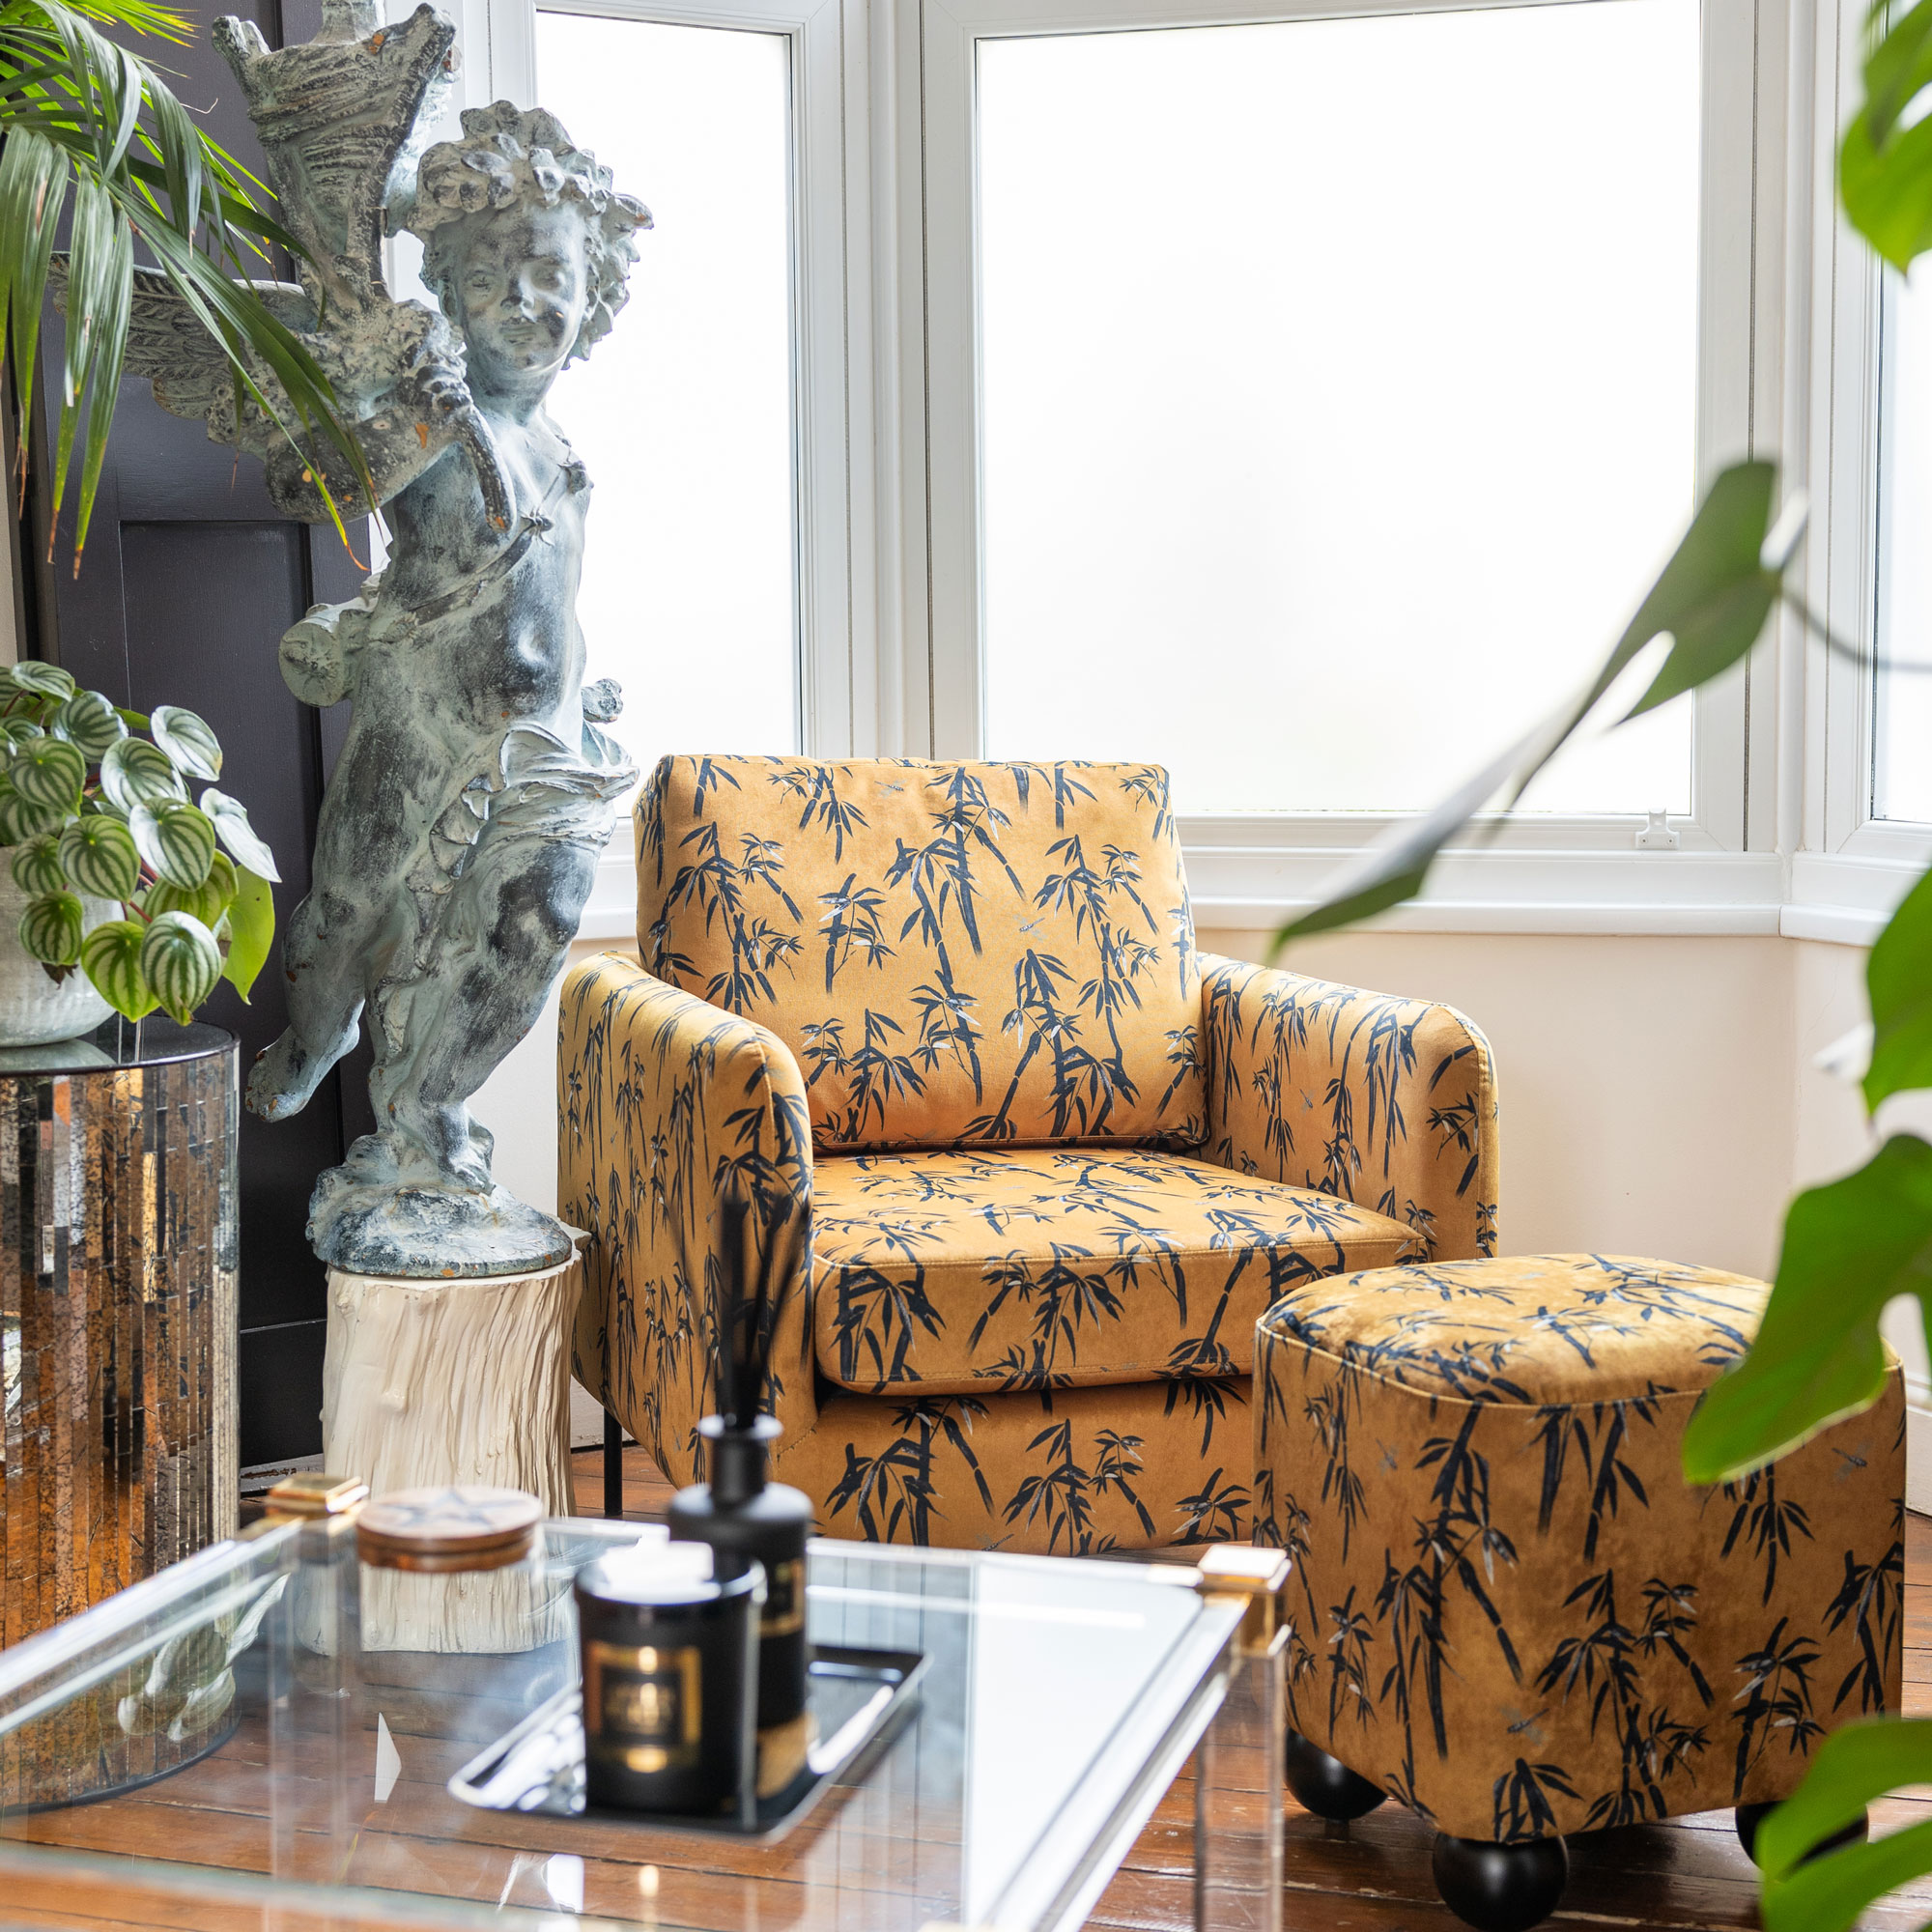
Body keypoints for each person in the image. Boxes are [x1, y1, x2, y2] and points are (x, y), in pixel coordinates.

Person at [246, 103, 647, 1275]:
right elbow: (305, 485)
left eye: (551, 275)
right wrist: (402, 406)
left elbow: (549, 598)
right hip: (421, 727)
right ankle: (315, 1038)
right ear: (450, 298)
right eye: (489, 279)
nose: (525, 301)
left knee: (537, 927)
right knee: (347, 921)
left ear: (593, 288)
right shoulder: (435, 419)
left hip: (549, 749)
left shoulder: (560, 448)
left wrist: (582, 689)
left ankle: (425, 1119)